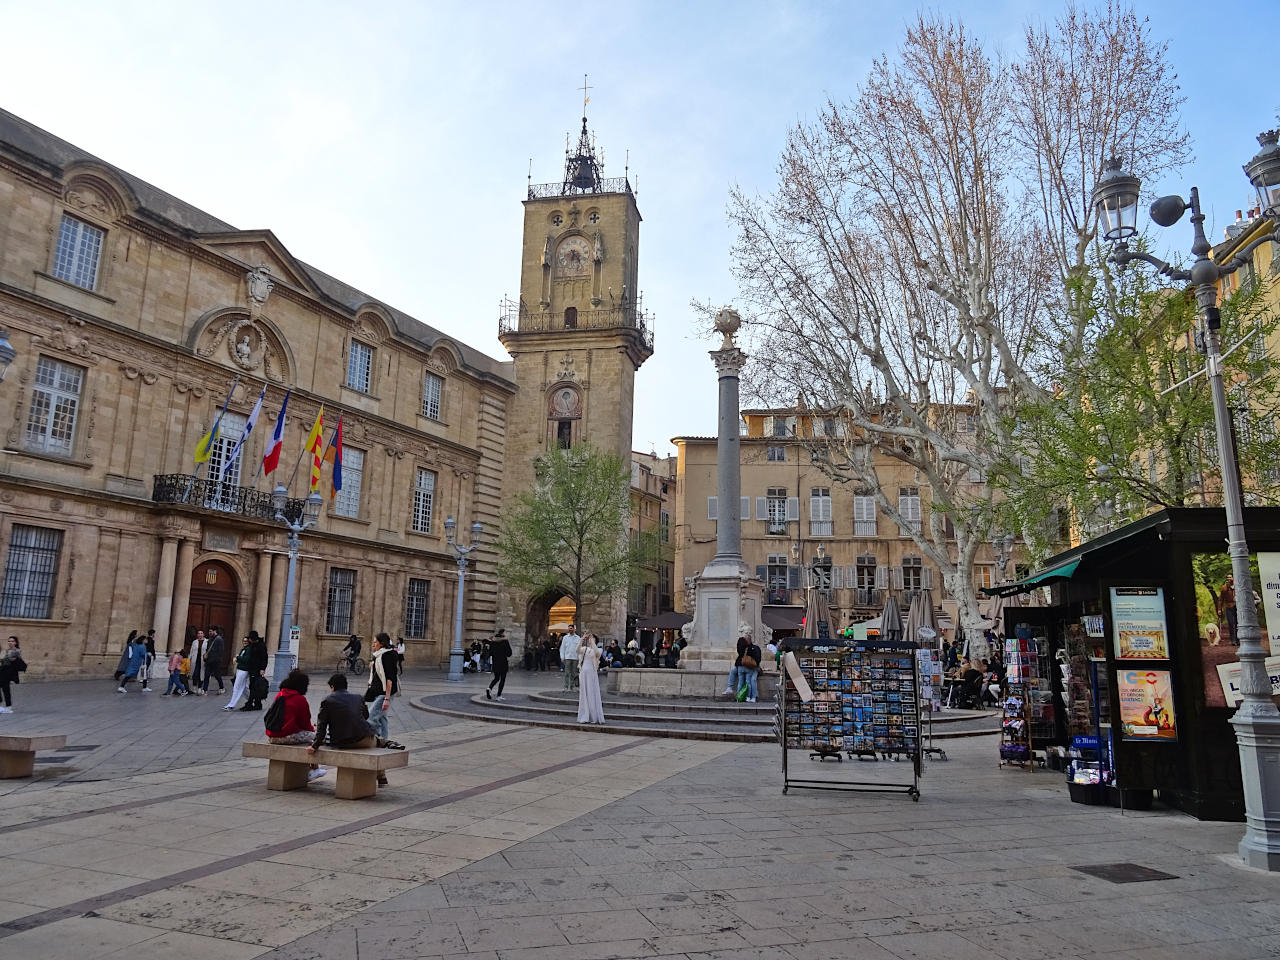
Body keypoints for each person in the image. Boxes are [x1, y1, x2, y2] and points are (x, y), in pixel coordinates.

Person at [309, 673, 404, 787]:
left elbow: (321, 728)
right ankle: (382, 777)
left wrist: (314, 746)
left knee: (374, 740)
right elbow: (366, 716)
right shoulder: (358, 698)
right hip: (365, 738)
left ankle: (385, 743)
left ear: (332, 687)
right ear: (346, 686)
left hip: (343, 741)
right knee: (376, 743)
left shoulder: (327, 701)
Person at [266, 669, 325, 781]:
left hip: (272, 735)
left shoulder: (280, 694)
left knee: (309, 736)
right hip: (285, 735)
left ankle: (310, 769)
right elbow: (305, 724)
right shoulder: (299, 699)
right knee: (317, 737)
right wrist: (313, 730)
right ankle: (313, 769)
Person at [365, 633, 397, 742]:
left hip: (384, 693)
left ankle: (374, 740)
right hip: (377, 691)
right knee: (382, 718)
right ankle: (384, 740)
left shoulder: (387, 656)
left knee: (371, 717)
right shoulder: (378, 655)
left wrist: (387, 699)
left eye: (375, 642)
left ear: (382, 643)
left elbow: (390, 678)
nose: (373, 644)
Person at [576, 633, 606, 724]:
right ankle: (585, 715)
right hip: (584, 673)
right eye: (589, 638)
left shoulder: (599, 649)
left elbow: (597, 653)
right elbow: (577, 650)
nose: (590, 639)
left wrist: (593, 642)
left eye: (592, 638)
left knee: (591, 693)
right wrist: (581, 639)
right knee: (584, 694)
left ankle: (593, 716)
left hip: (592, 673)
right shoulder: (585, 649)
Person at [224, 635, 254, 710]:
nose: (244, 642)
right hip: (241, 669)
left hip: (243, 670)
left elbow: (246, 660)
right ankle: (252, 700)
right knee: (244, 687)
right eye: (243, 641)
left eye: (246, 641)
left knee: (237, 687)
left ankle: (231, 705)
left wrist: (238, 657)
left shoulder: (248, 650)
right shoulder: (244, 649)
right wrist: (237, 658)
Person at [243, 631, 269, 710]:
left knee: (254, 687)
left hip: (257, 669)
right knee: (254, 686)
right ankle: (257, 703)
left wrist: (262, 668)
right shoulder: (253, 645)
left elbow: (264, 658)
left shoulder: (261, 646)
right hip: (252, 668)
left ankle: (250, 704)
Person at [0, 636, 26, 713]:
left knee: (6, 689)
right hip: (4, 671)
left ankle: (7, 707)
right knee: (6, 689)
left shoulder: (16, 651)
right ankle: (8, 707)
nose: (10, 642)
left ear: (15, 643)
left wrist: (3, 660)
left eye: (12, 641)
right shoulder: (8, 650)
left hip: (8, 672)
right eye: (9, 641)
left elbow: (10, 660)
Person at [486, 628, 512, 701]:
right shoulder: (505, 642)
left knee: (496, 678)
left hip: (495, 663)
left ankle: (489, 688)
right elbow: (509, 653)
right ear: (503, 633)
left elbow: (490, 653)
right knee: (502, 679)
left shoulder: (493, 642)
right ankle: (498, 696)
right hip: (503, 663)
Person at [738, 637, 761, 702]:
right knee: (749, 681)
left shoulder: (754, 648)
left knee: (752, 680)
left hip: (754, 667)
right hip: (749, 667)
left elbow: (758, 659)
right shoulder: (744, 648)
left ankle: (753, 697)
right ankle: (747, 697)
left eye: (746, 640)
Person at [204, 627, 226, 695]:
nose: (209, 633)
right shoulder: (210, 639)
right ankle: (205, 690)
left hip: (216, 661)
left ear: (215, 631)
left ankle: (222, 687)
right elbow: (208, 649)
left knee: (217, 675)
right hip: (209, 661)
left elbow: (221, 651)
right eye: (209, 631)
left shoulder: (219, 639)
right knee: (206, 675)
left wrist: (217, 659)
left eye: (211, 631)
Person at [560, 625, 581, 691]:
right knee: (567, 672)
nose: (570, 630)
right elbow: (562, 648)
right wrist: (562, 657)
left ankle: (571, 687)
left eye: (571, 629)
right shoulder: (565, 638)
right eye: (569, 629)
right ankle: (566, 686)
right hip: (567, 657)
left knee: (573, 673)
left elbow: (579, 649)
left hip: (575, 658)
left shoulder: (578, 638)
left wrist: (580, 658)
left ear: (574, 629)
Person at [189, 629, 207, 695]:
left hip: (203, 661)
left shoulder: (207, 641)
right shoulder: (194, 642)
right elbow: (191, 651)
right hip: (195, 660)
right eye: (198, 633)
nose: (200, 634)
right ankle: (194, 687)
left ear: (203, 634)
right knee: (195, 674)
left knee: (201, 675)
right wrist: (189, 659)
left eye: (201, 633)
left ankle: (199, 687)